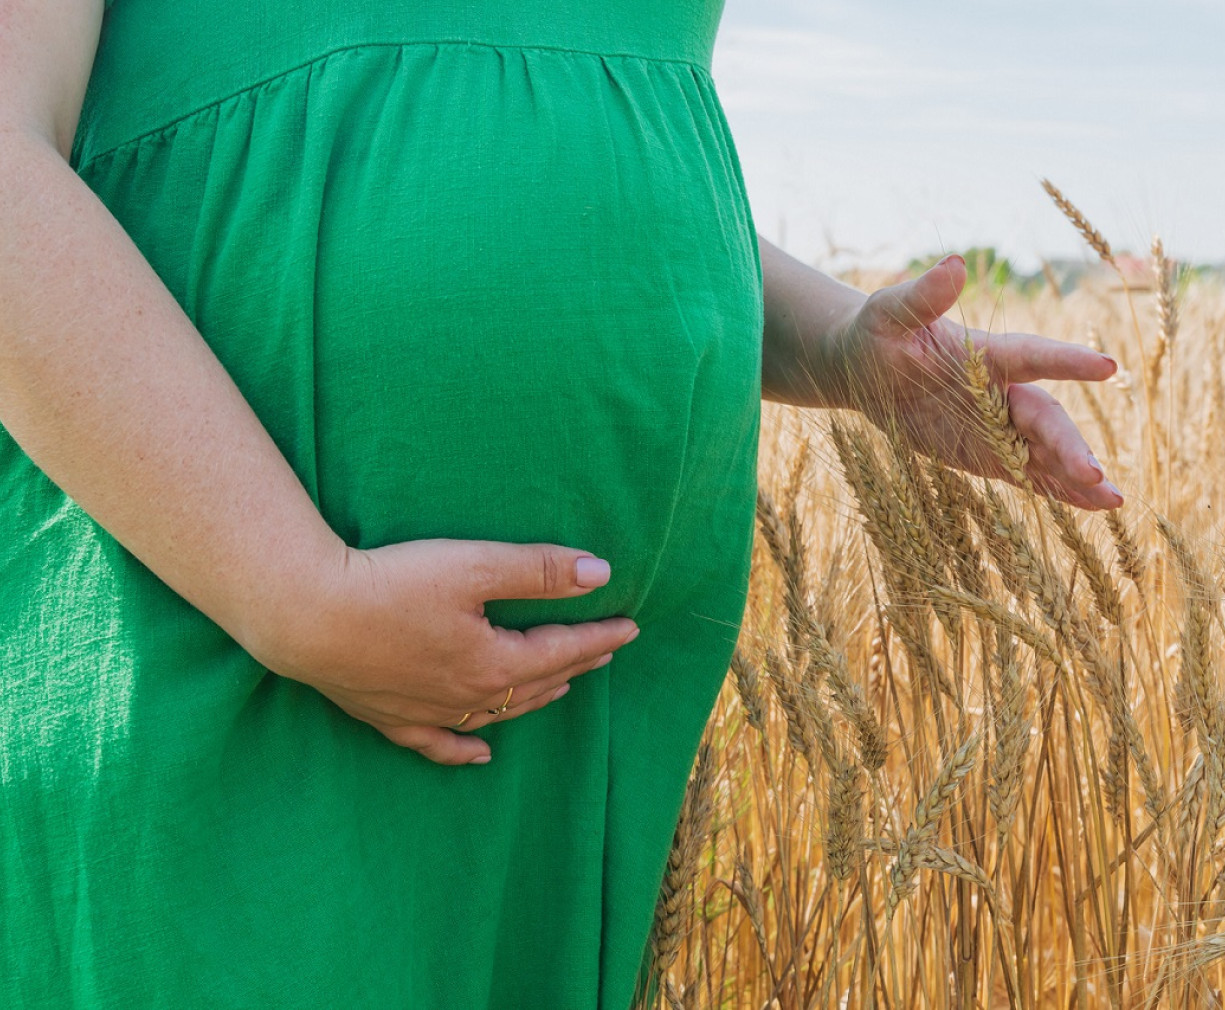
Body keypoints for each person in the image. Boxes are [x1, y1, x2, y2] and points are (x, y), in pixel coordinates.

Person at [0, 0, 1122, 1006]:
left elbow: (590, 100)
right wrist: (293, 586)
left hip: (577, 713)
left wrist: (837, 348)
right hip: (228, 628)